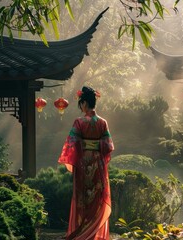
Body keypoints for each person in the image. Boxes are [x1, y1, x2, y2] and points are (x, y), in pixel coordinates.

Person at [58, 86, 114, 240]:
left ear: (83, 103)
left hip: (83, 163)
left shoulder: (79, 122)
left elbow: (72, 143)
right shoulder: (103, 122)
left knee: (82, 198)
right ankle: (95, 232)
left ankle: (82, 232)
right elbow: (109, 145)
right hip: (98, 164)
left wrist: (83, 146)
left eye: (81, 104)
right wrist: (96, 146)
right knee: (97, 197)